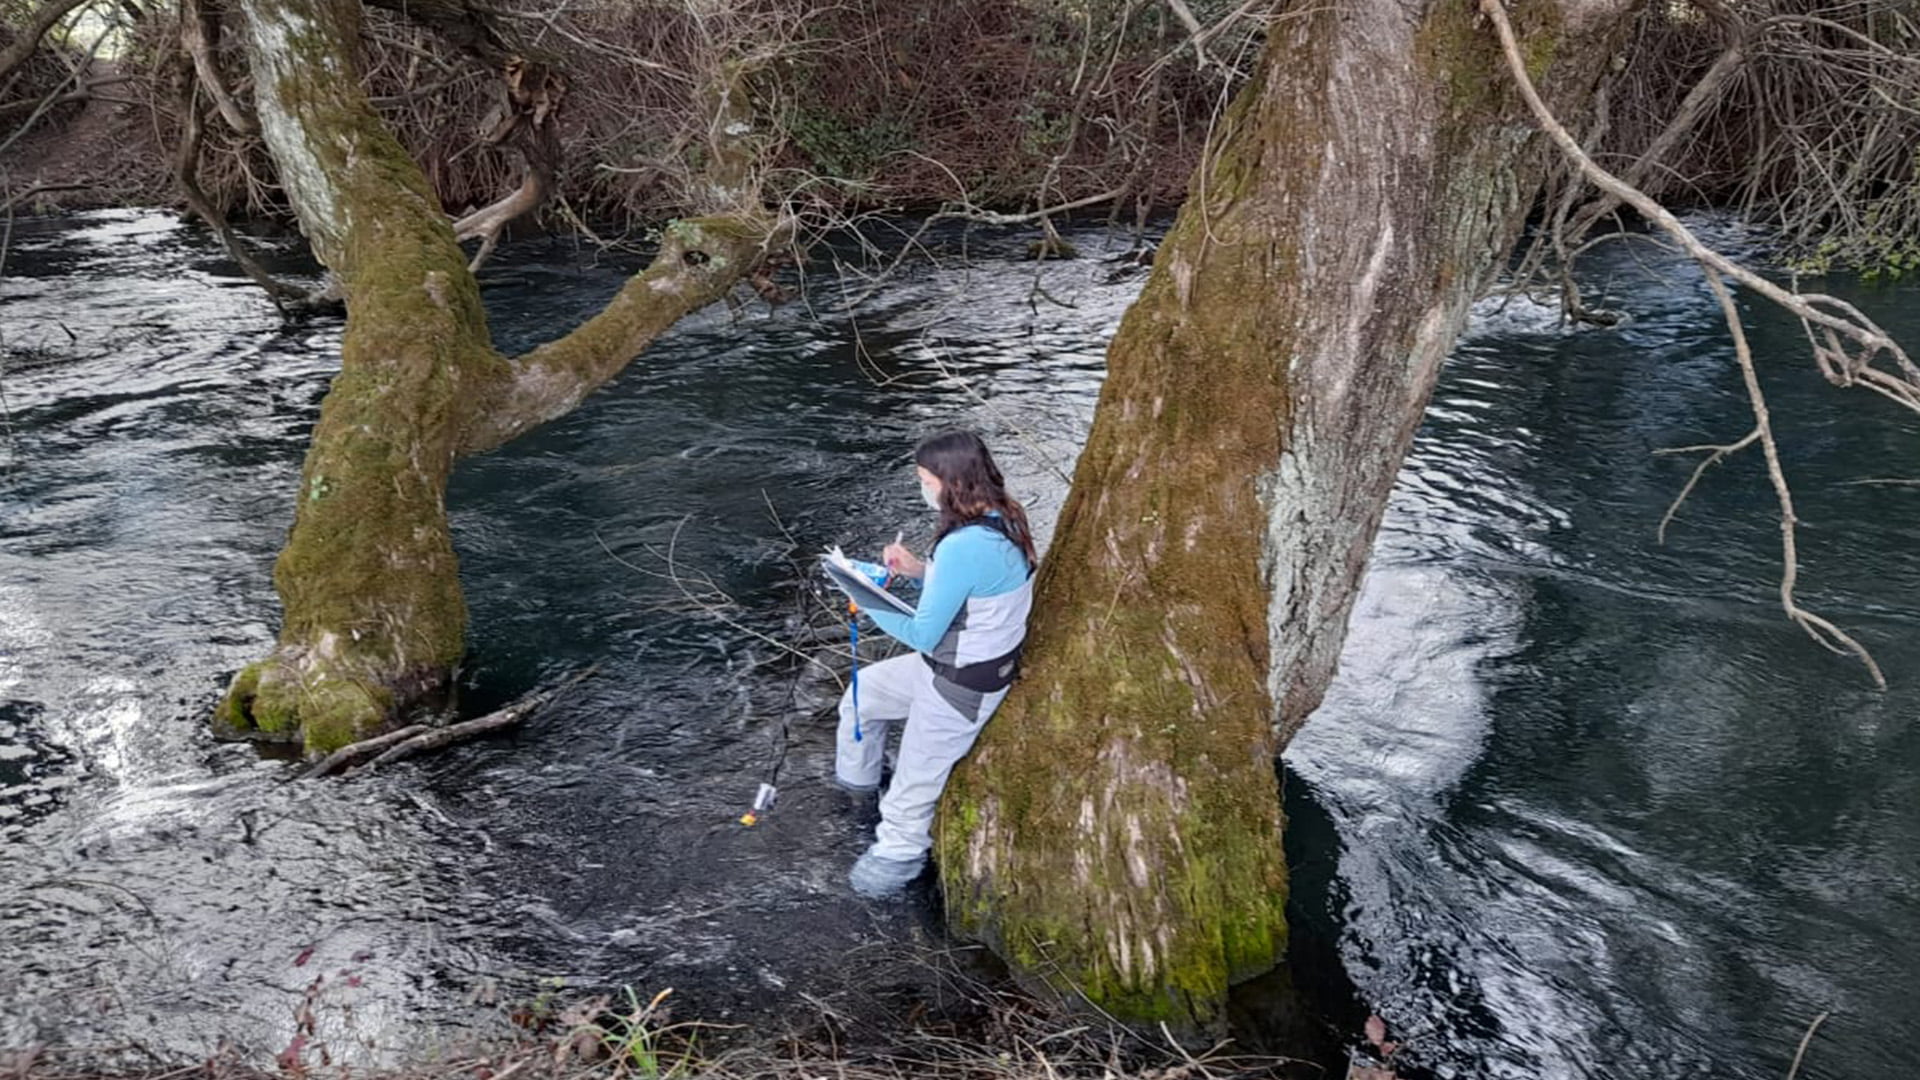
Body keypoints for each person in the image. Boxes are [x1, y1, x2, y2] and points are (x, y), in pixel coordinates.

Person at [835, 430, 1037, 898]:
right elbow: (975, 587)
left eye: (925, 478)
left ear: (951, 482)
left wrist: (865, 599)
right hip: (949, 664)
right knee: (863, 695)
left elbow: (923, 633)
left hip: (962, 685)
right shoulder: (1002, 514)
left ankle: (884, 880)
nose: (921, 486)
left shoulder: (965, 544)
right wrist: (916, 572)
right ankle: (857, 790)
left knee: (910, 798)